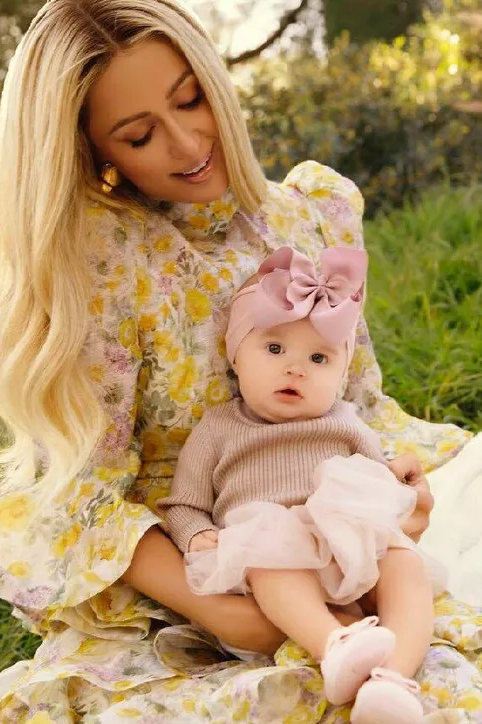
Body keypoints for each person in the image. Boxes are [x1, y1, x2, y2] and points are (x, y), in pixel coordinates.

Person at [0, 1, 482, 721]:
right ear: (92, 152)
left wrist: (399, 497)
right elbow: (85, 495)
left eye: (191, 99)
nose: (186, 143)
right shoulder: (105, 264)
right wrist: (219, 606)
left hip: (336, 544)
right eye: (140, 135)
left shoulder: (308, 215)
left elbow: (357, 403)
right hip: (191, 565)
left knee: (425, 675)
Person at [159, 246, 444, 723]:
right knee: (271, 562)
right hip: (273, 555)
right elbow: (184, 504)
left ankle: (392, 681)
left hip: (349, 541)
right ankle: (334, 645)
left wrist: (398, 484)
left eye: (319, 358)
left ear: (341, 373)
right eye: (274, 350)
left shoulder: (345, 422)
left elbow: (376, 480)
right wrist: (196, 534)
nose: (296, 369)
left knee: (404, 564)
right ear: (235, 357)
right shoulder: (219, 428)